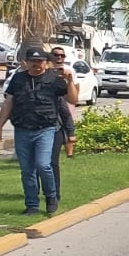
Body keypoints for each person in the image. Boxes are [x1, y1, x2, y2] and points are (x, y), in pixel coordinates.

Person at [0, 46, 78, 215]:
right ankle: (32, 205)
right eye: (33, 61)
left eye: (40, 61)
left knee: (43, 164)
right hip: (22, 129)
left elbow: (73, 99)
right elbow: (9, 103)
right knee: (27, 169)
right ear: (26, 62)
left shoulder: (54, 79)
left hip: (45, 129)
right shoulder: (18, 79)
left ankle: (51, 196)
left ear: (46, 63)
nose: (36, 64)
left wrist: (69, 80)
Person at [47, 47, 78, 194]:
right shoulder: (42, 73)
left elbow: (73, 99)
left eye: (62, 55)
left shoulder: (68, 72)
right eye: (55, 55)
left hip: (60, 117)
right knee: (37, 164)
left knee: (52, 162)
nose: (59, 58)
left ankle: (54, 193)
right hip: (39, 123)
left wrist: (69, 80)